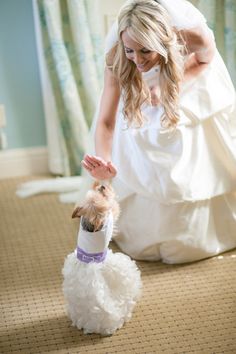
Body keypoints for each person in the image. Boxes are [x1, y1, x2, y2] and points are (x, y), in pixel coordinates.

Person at [82, 0, 236, 264]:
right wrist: (105, 163)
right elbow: (106, 121)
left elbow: (205, 59)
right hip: (140, 96)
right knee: (138, 143)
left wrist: (169, 86)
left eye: (145, 51)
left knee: (186, 152)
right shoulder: (118, 57)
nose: (138, 60)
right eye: (131, 50)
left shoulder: (189, 36)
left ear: (164, 42)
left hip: (181, 82)